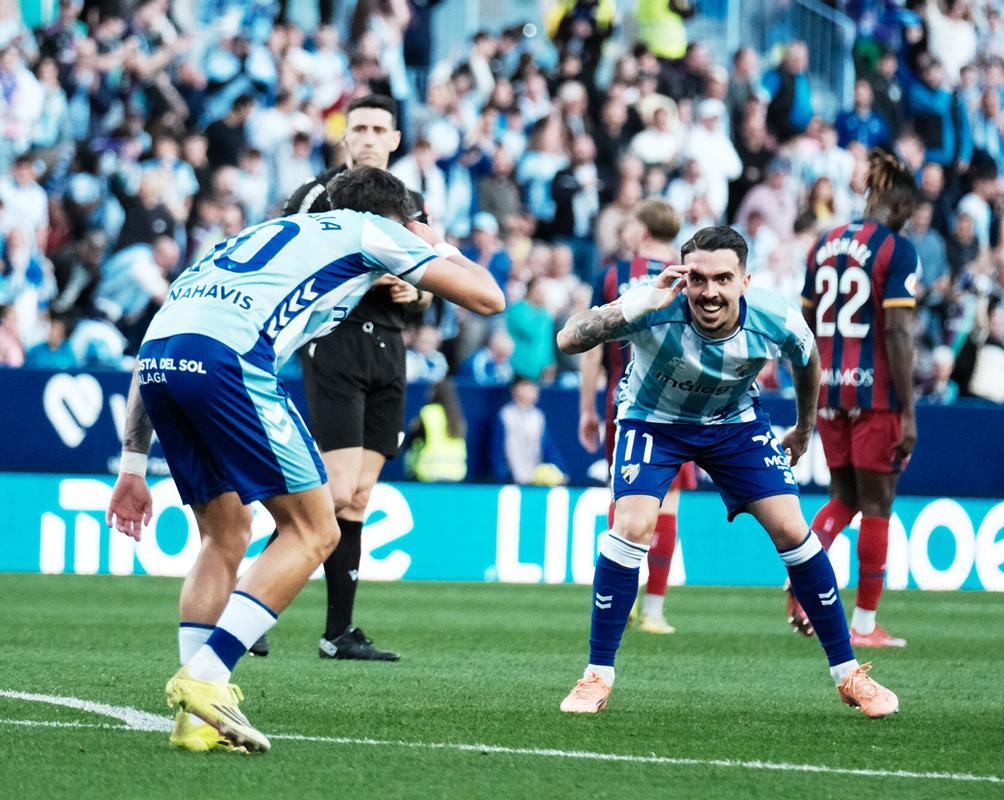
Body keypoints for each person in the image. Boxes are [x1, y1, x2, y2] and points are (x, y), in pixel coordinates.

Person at [105, 166, 504, 754]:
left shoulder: (248, 238)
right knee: (316, 530)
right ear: (396, 218)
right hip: (229, 362)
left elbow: (155, 344)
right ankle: (207, 676)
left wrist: (133, 466)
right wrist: (433, 241)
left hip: (162, 363)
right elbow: (489, 297)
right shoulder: (371, 229)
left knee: (224, 536)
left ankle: (195, 720)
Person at [556, 225, 898, 719]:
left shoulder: (775, 316)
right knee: (631, 526)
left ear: (744, 281)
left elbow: (808, 361)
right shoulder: (654, 304)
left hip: (733, 424)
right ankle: (596, 676)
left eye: (722, 279)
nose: (709, 292)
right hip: (652, 421)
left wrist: (804, 429)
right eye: (697, 278)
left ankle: (849, 674)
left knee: (792, 529)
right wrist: (639, 304)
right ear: (683, 276)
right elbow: (569, 338)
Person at [251, 94, 430, 662]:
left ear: (395, 140)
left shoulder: (411, 203)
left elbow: (430, 287)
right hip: (336, 342)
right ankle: (247, 602)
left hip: (390, 349)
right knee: (332, 492)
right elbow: (284, 260)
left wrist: (412, 292)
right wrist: (366, 279)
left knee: (356, 499)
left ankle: (339, 632)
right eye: (360, 128)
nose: (369, 138)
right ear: (345, 136)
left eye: (379, 129)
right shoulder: (316, 194)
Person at [786, 150, 920, 649]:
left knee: (843, 498)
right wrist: (908, 411)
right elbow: (898, 332)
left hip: (829, 389)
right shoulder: (897, 249)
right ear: (899, 205)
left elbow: (803, 324)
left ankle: (801, 579)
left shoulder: (823, 243)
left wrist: (808, 392)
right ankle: (863, 624)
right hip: (876, 393)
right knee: (877, 505)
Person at [579, 199, 692, 634]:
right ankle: (655, 611)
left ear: (642, 231)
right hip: (680, 403)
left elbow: (591, 345)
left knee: (623, 494)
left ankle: (619, 598)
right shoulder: (688, 277)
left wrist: (586, 408)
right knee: (669, 503)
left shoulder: (612, 276)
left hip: (623, 400)